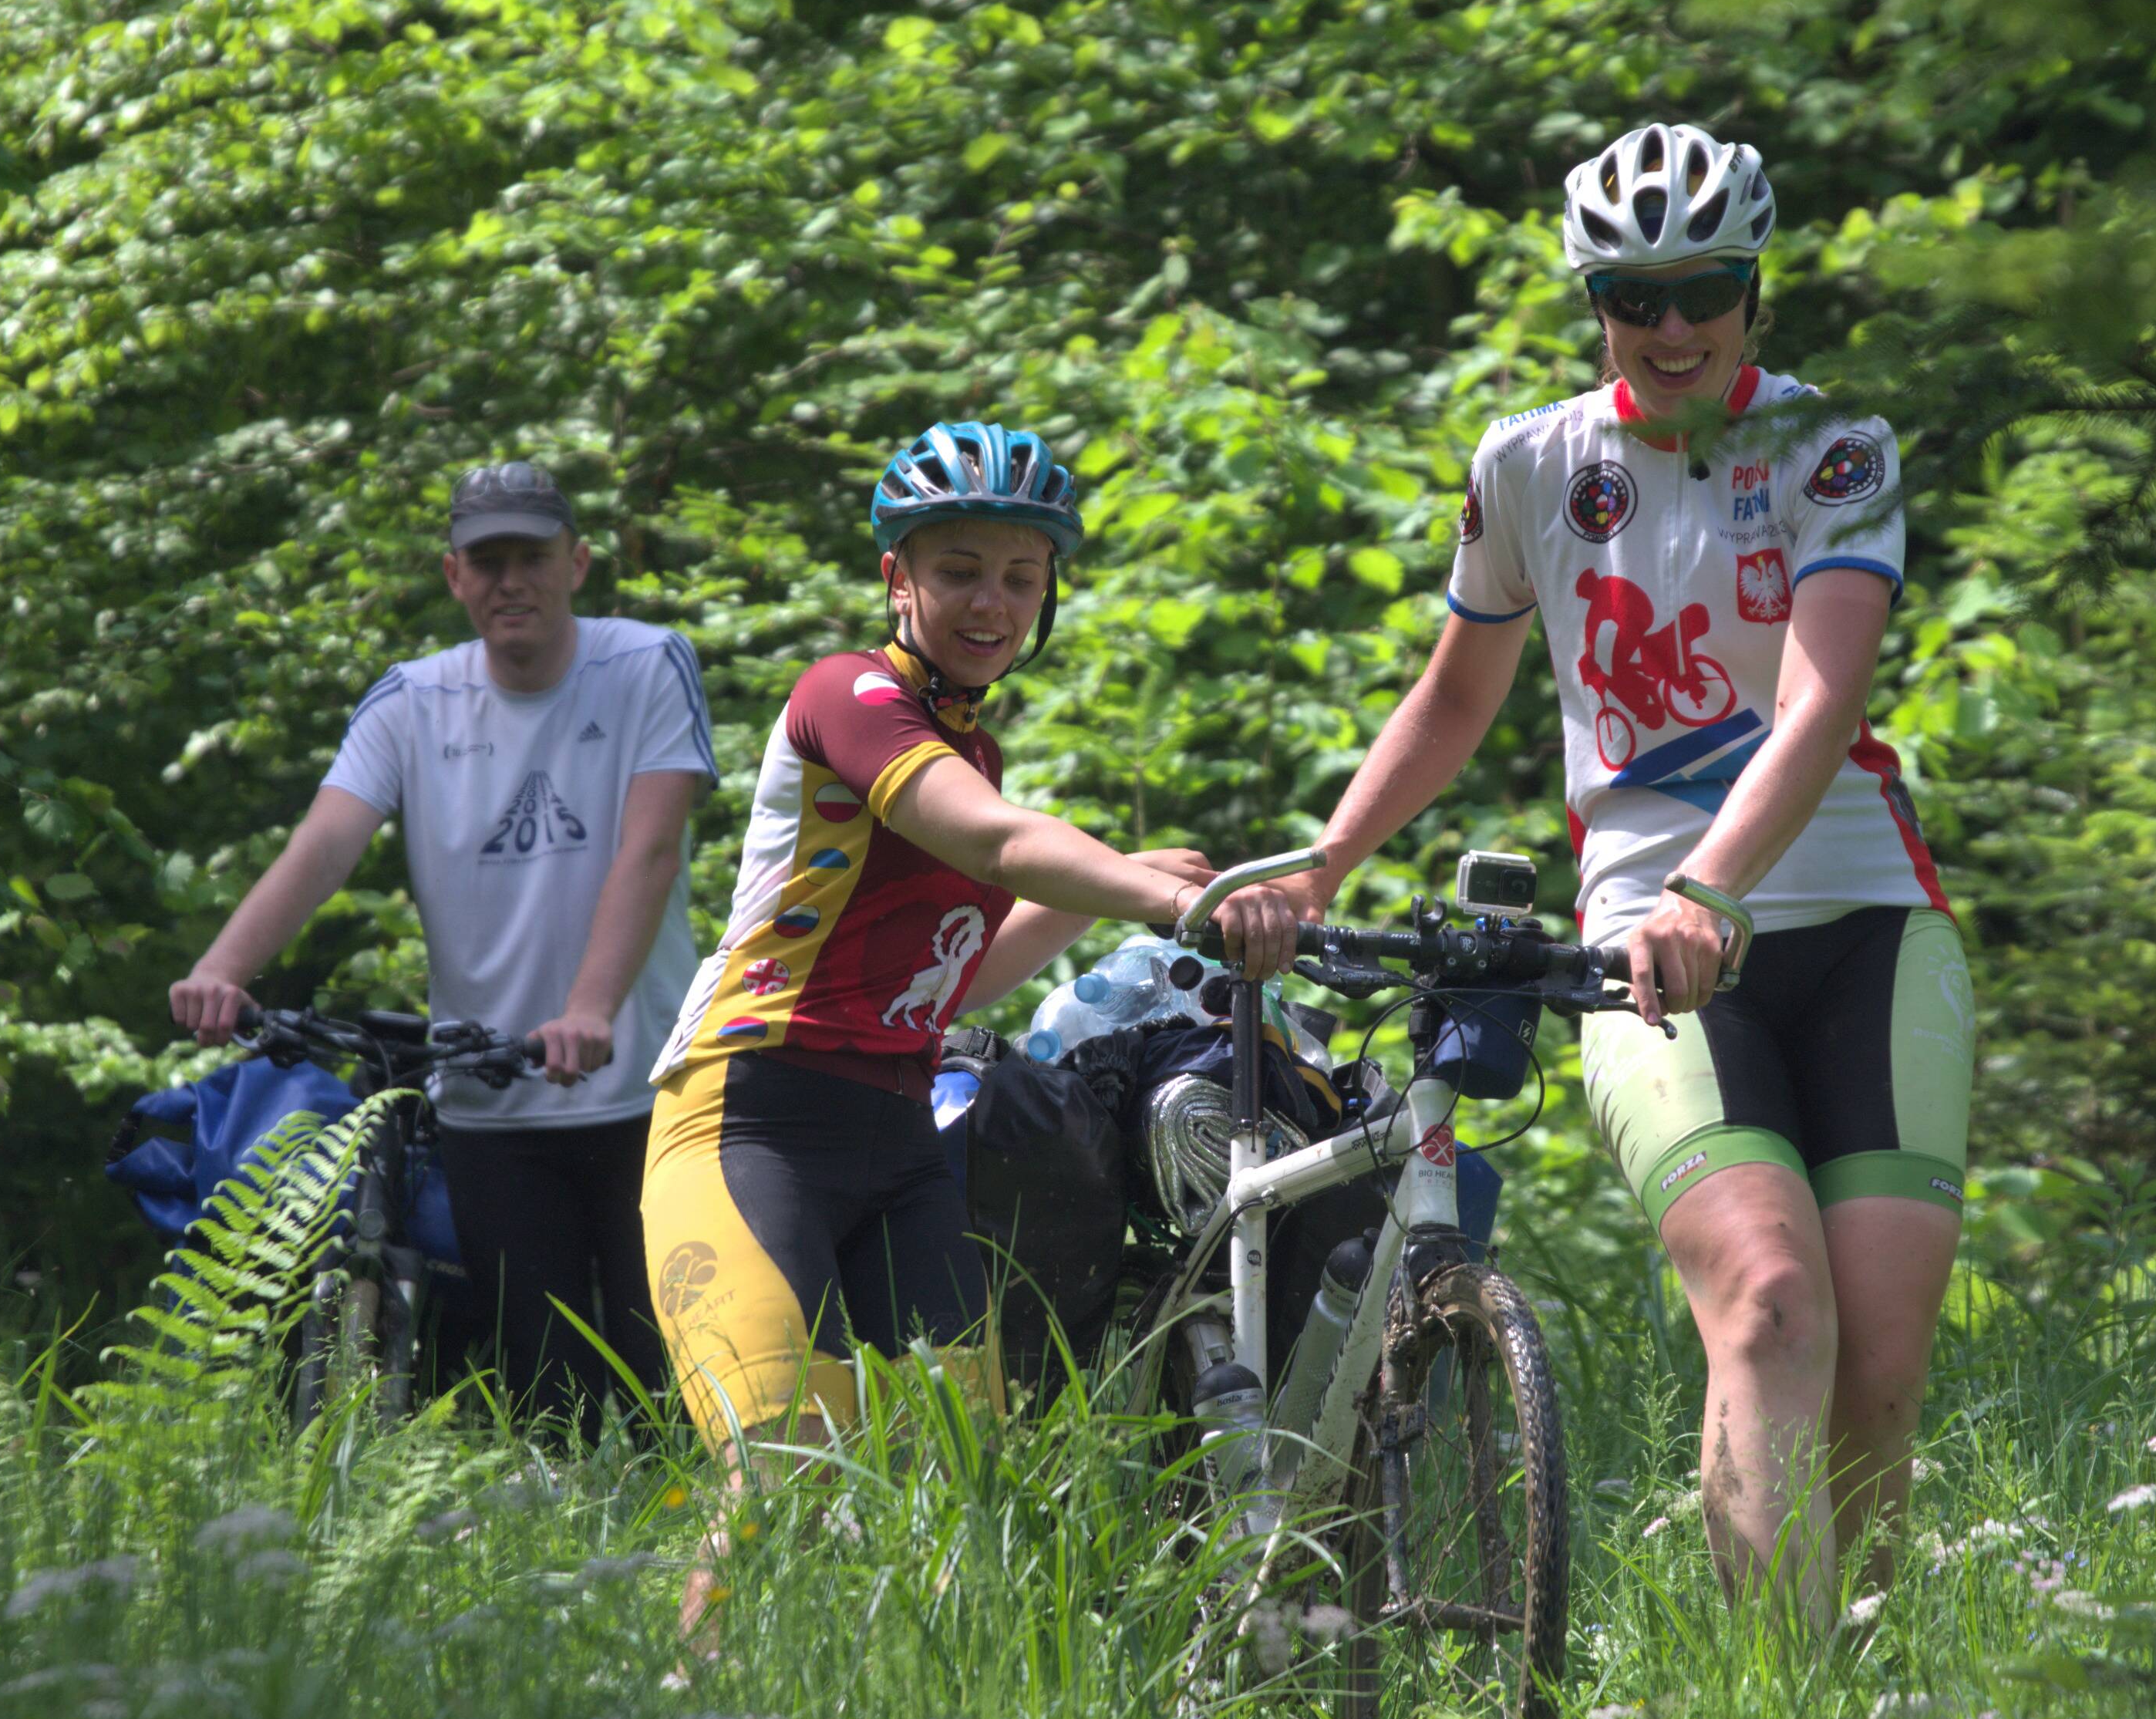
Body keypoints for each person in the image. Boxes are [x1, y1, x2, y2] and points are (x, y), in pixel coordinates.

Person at [1302, 126, 1972, 1630]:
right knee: (1770, 1303)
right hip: (1643, 950)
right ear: (1593, 303)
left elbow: (1820, 704)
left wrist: (1712, 888)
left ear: (1754, 290)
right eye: (1634, 296)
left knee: (1876, 1367)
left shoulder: (1835, 448)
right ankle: (1772, 1717)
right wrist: (1321, 861)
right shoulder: (1529, 464)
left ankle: (1860, 1708)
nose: (1674, 327)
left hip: (1863, 924)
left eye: (1706, 290)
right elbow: (1453, 701)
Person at [641, 421, 1301, 1455]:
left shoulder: (972, 751)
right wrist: (1168, 897)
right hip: (753, 1116)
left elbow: (952, 980)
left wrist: (1117, 886)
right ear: (897, 578)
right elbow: (998, 842)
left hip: (899, 1140)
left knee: (955, 1483)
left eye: (1020, 578)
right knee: (781, 1472)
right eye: (959, 571)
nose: (992, 602)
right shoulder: (848, 696)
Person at [172, 461, 714, 1425]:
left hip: (647, 1087)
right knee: (545, 1392)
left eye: (533, 556)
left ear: (578, 563)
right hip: (490, 1101)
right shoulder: (411, 700)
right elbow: (325, 843)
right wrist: (223, 969)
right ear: (454, 575)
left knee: (667, 1378)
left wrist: (589, 1008)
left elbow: (652, 847)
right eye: (487, 560)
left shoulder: (645, 664)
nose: (512, 580)